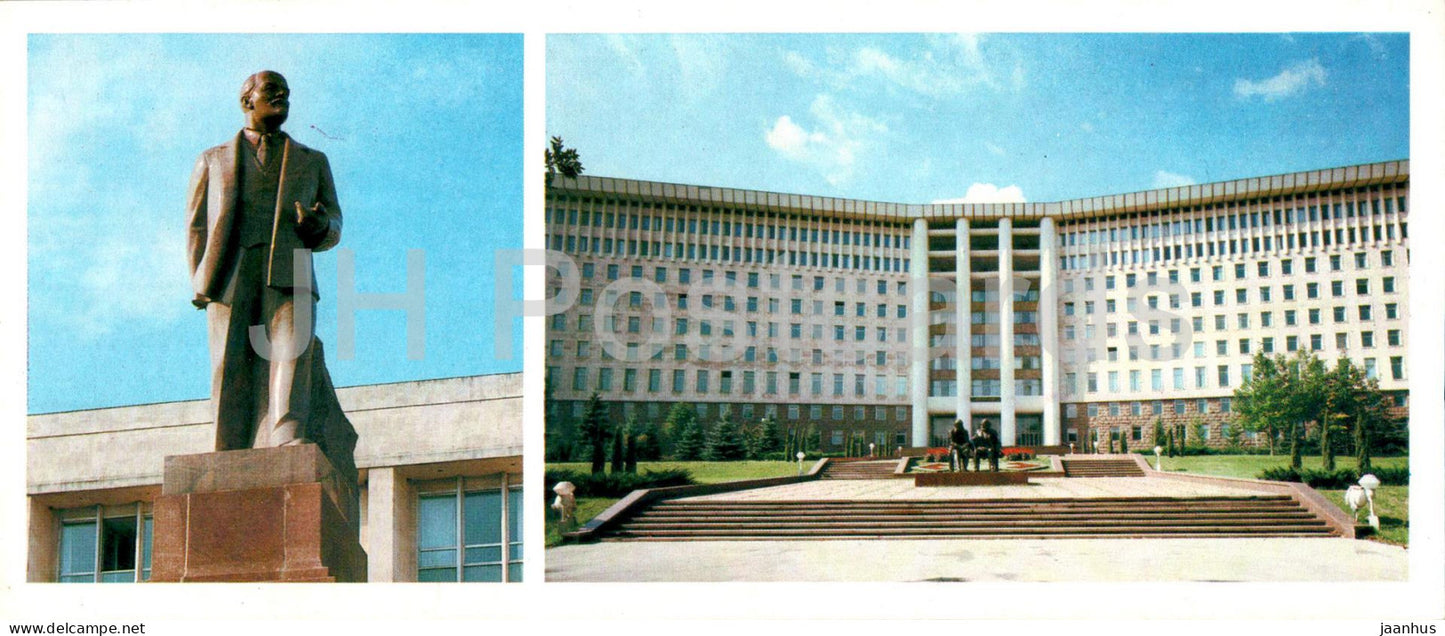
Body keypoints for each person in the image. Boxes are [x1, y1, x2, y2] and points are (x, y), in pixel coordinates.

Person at [186, 70, 348, 455]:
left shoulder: (313, 160)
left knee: (292, 351)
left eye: (287, 94)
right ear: (247, 100)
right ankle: (226, 443)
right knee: (230, 359)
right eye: (273, 91)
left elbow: (335, 222)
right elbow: (195, 225)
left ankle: (286, 433)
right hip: (231, 272)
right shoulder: (212, 159)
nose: (283, 99)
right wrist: (200, 279)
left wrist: (319, 224)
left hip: (291, 269)